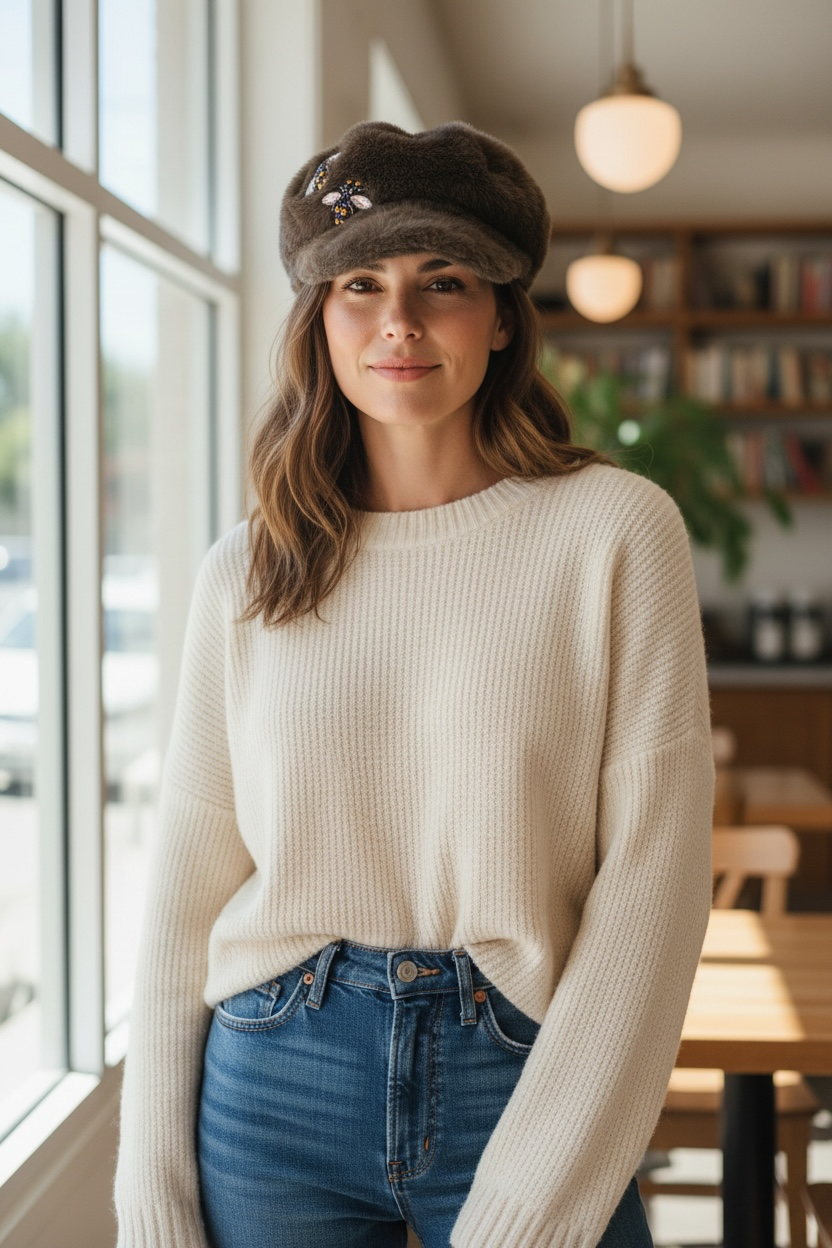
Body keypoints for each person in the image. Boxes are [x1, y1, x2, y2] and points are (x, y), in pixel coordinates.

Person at [113, 120, 714, 1248]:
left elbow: (657, 885)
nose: (398, 320)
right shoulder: (248, 569)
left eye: (441, 281)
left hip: (524, 1064)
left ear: (499, 316)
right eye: (358, 284)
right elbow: (187, 886)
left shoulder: (616, 534)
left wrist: (535, 1199)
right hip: (273, 1070)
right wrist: (152, 1198)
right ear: (320, 322)